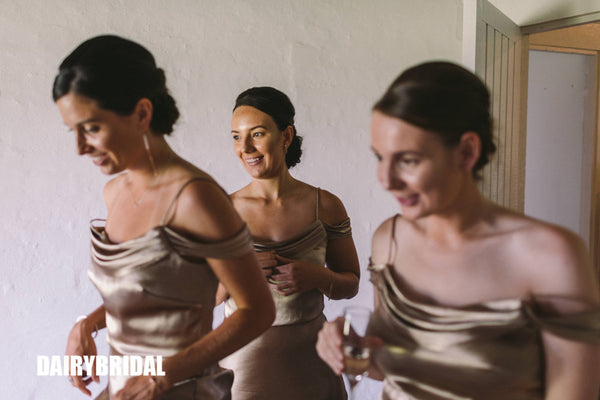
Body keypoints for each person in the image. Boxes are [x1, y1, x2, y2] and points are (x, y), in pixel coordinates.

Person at [316, 61, 600, 399]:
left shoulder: (550, 254)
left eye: (408, 160)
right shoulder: (389, 240)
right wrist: (348, 350)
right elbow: (392, 365)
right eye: (380, 157)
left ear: (466, 152)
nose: (386, 180)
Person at [54, 35, 275, 400]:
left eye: (91, 128)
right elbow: (144, 293)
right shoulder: (115, 192)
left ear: (142, 113)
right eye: (72, 130)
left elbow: (258, 310)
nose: (79, 147)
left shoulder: (196, 198)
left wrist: (160, 378)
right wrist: (86, 325)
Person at [216, 86, 360, 399]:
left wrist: (316, 276)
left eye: (257, 134)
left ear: (286, 136)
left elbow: (351, 284)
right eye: (236, 137)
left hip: (313, 362)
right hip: (242, 367)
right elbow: (204, 299)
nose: (245, 148)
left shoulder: (326, 205)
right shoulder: (221, 210)